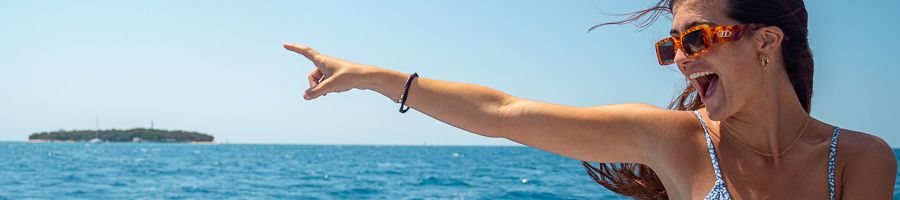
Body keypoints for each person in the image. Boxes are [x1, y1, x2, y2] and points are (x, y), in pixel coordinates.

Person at [283, 0, 896, 199]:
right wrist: (369, 75)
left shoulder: (861, 160)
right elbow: (503, 114)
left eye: (699, 37)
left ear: (766, 42)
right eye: (672, 44)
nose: (682, 56)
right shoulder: (674, 141)